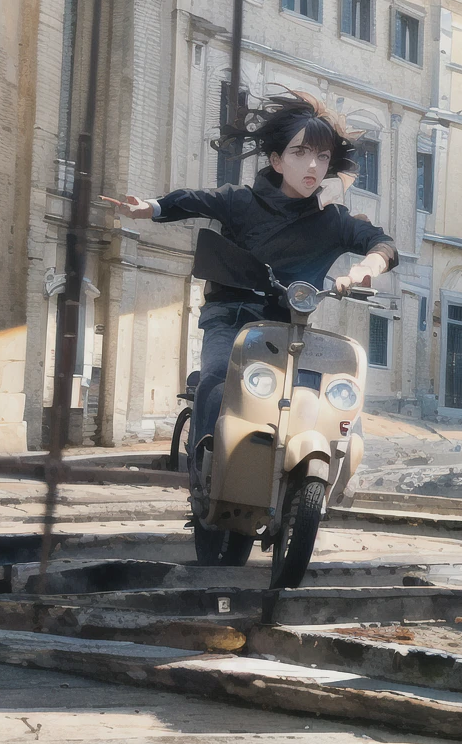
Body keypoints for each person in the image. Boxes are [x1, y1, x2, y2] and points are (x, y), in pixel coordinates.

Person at [101, 91, 399, 475]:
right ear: (276, 160)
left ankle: (319, 478)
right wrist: (151, 208)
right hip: (230, 318)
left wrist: (366, 267)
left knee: (329, 396)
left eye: (322, 157)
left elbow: (383, 243)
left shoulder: (333, 221)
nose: (312, 165)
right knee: (218, 378)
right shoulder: (240, 202)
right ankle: (207, 470)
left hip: (290, 328)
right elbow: (194, 200)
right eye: (300, 153)